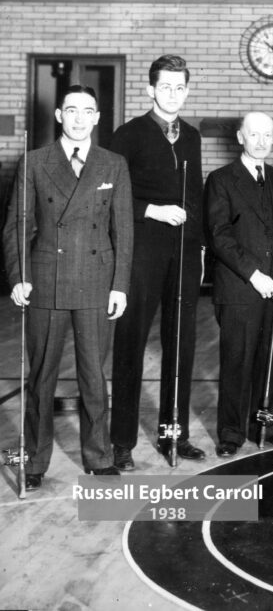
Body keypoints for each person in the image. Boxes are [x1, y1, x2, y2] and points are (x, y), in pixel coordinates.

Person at [3, 85, 133, 488]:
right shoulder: (35, 162)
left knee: (94, 376)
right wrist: (19, 277)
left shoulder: (113, 164)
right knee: (41, 377)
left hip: (96, 283)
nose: (79, 118)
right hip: (46, 282)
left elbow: (124, 230)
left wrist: (120, 285)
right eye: (71, 110)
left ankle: (98, 456)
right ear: (59, 115)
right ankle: (36, 461)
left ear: (97, 117)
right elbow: (16, 228)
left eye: (87, 111)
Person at [110, 55, 205, 468]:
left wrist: (198, 248)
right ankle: (122, 443)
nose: (172, 94)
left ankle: (175, 433)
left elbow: (196, 197)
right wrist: (153, 210)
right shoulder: (127, 135)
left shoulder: (193, 137)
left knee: (181, 344)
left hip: (183, 252)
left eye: (179, 87)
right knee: (130, 343)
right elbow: (109, 194)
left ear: (186, 90)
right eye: (164, 87)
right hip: (140, 250)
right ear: (150, 90)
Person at [204, 112, 273, 457]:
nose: (261, 142)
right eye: (254, 135)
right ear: (240, 138)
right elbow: (219, 236)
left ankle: (266, 424)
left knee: (272, 360)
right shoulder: (220, 179)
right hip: (240, 287)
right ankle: (231, 432)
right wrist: (254, 275)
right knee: (237, 361)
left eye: (267, 136)